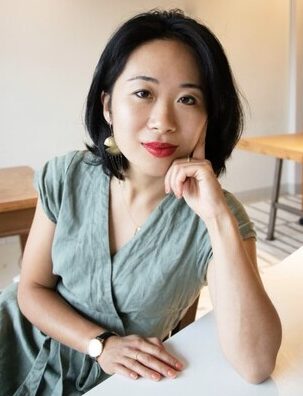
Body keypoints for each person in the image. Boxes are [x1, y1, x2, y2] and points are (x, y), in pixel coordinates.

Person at [0, 9, 282, 395]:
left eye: (187, 99)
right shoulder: (67, 176)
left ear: (208, 118)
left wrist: (216, 217)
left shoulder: (218, 216)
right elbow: (30, 289)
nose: (163, 120)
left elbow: (256, 363)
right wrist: (101, 344)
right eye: (143, 93)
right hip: (14, 344)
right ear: (108, 106)